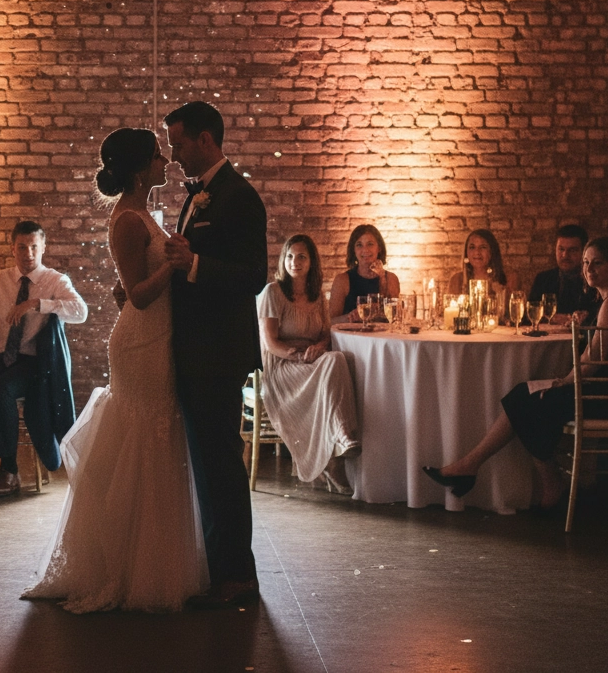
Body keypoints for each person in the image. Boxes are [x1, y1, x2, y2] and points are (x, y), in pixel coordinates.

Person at [24, 129, 207, 611]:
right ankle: (122, 567)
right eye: (156, 155)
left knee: (159, 440)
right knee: (145, 440)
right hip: (141, 342)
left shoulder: (143, 212)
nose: (165, 159)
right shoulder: (127, 219)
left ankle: (151, 560)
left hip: (159, 337)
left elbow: (131, 291)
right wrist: (173, 264)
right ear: (138, 166)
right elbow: (140, 295)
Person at [423, 236, 608, 509]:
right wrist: (560, 382)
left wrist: (562, 382)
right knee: (525, 395)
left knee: (527, 400)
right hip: (606, 393)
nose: (589, 269)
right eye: (586, 263)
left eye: (598, 263)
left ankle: (534, 481)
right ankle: (482, 469)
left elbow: (594, 360)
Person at [163, 101, 267, 608]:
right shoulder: (201, 195)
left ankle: (238, 575)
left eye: (180, 143)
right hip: (196, 349)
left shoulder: (239, 196)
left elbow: (253, 276)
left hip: (219, 352)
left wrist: (196, 263)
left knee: (222, 462)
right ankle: (219, 567)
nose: (175, 154)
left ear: (206, 140)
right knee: (207, 462)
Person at [0, 221, 87, 497]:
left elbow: (80, 311)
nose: (28, 253)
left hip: (33, 363)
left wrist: (36, 304)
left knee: (1, 389)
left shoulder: (55, 280)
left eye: (34, 247)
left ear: (43, 248)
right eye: (22, 247)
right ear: (12, 249)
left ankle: (9, 471)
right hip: (1, 356)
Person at [257, 235, 360, 493]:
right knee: (332, 367)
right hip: (283, 364)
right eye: (290, 256)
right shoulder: (273, 292)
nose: (295, 262)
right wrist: (297, 355)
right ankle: (338, 450)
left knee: (340, 359)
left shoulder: (318, 297)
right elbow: (270, 343)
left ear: (311, 261)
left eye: (302, 256)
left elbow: (326, 334)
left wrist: (319, 347)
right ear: (284, 260)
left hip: (310, 360)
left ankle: (337, 447)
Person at [329, 224, 401, 322]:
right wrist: (350, 317)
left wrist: (382, 278)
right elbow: (331, 321)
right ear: (353, 250)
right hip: (352, 336)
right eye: (359, 245)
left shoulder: (391, 279)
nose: (365, 250)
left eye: (370, 244)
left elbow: (394, 317)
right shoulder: (342, 280)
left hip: (382, 336)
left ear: (379, 248)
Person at [527, 223, 595, 324]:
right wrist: (552, 319)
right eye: (561, 249)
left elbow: (597, 319)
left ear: (584, 252)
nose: (565, 255)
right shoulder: (543, 279)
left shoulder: (593, 281)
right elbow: (528, 317)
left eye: (572, 250)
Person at [448, 228, 518, 295]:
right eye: (472, 247)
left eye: (483, 247)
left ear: (492, 251)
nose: (477, 252)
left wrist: (500, 293)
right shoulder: (457, 280)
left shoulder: (509, 278)